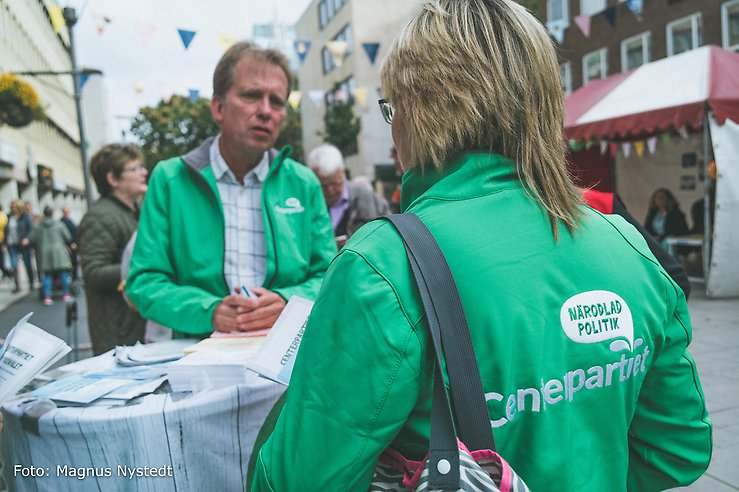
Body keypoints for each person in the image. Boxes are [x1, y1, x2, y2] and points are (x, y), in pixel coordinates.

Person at [251, 2, 712, 491]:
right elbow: (677, 449)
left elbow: (294, 480)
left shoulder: (383, 264)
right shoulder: (626, 243)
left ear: (418, 113)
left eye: (392, 111)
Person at [126, 41, 336, 338]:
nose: (266, 111)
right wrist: (210, 311)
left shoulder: (304, 183)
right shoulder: (170, 179)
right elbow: (144, 282)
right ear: (218, 107)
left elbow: (329, 276)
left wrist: (287, 302)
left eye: (277, 101)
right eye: (252, 95)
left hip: (287, 351)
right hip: (200, 354)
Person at [78, 144, 148, 355]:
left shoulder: (133, 210)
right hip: (118, 332)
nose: (144, 172)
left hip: (134, 324)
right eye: (135, 168)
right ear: (113, 179)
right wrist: (145, 267)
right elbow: (94, 272)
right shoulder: (101, 216)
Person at [307, 143, 390, 248]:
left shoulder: (370, 200)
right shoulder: (305, 204)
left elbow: (388, 237)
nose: (330, 190)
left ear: (343, 174)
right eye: (323, 185)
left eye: (335, 184)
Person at [29, 206, 72, 305]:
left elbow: (32, 240)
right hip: (59, 252)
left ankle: (47, 296)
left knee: (47, 275)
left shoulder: (38, 226)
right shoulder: (59, 225)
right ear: (52, 213)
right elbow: (68, 237)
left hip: (44, 253)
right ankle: (66, 294)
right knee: (63, 273)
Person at [4, 199, 34, 293]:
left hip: (23, 243)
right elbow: (6, 231)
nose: (13, 209)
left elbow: (30, 229)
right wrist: (5, 243)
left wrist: (27, 238)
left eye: (15, 207)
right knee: (14, 264)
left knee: (27, 263)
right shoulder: (9, 217)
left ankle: (31, 283)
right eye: (12, 207)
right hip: (12, 244)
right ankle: (17, 285)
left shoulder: (25, 216)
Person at [60, 206, 79, 280]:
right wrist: (66, 246)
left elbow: (75, 232)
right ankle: (70, 274)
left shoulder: (71, 221)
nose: (66, 213)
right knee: (68, 263)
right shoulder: (61, 222)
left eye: (67, 212)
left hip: (73, 245)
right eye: (65, 212)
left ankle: (75, 276)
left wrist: (75, 243)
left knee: (74, 261)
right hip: (66, 246)